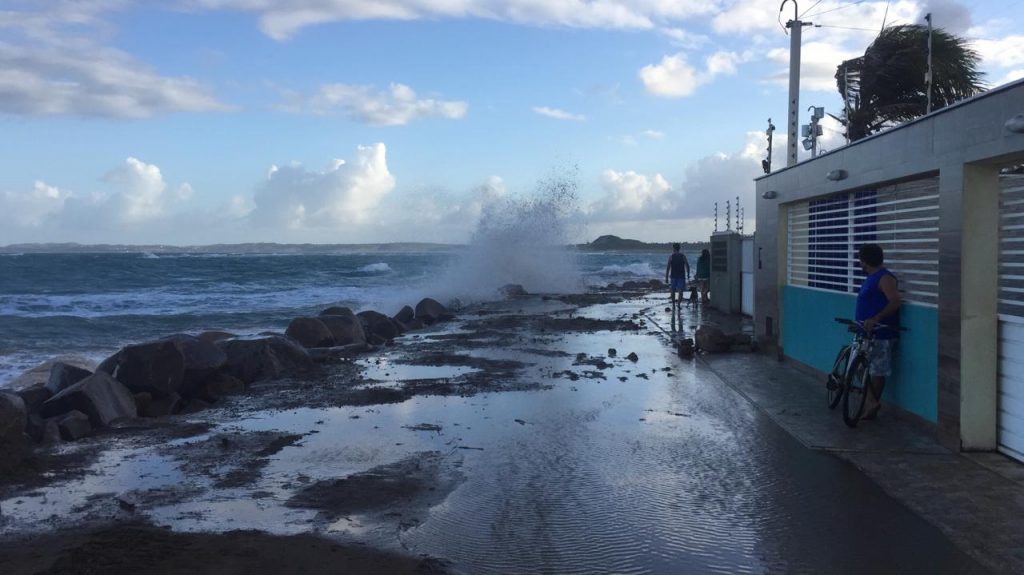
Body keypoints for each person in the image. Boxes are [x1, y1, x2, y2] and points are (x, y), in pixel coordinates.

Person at [854, 243, 902, 420]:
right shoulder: (871, 277)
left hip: (881, 333)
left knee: (877, 371)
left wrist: (876, 318)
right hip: (865, 332)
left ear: (866, 260)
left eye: (861, 259)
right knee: (859, 367)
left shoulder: (885, 278)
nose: (860, 263)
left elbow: (895, 301)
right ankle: (871, 401)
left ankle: (872, 403)